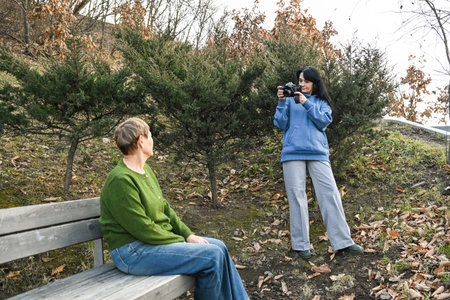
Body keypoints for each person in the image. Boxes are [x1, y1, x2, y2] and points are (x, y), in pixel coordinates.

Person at [99, 117, 249, 300]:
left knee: (220, 247)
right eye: (151, 136)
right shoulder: (120, 180)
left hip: (149, 244)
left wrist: (188, 235)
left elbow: (165, 209)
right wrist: (181, 241)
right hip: (132, 252)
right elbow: (143, 228)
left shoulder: (146, 171)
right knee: (211, 257)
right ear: (141, 141)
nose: (153, 141)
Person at [274, 66, 363, 259]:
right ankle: (300, 246)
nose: (302, 84)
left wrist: (306, 103)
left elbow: (323, 121)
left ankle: (343, 243)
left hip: (318, 154)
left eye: (306, 81)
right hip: (292, 153)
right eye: (300, 81)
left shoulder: (322, 102)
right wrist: (281, 103)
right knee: (297, 198)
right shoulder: (289, 101)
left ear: (315, 83)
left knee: (330, 195)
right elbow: (280, 124)